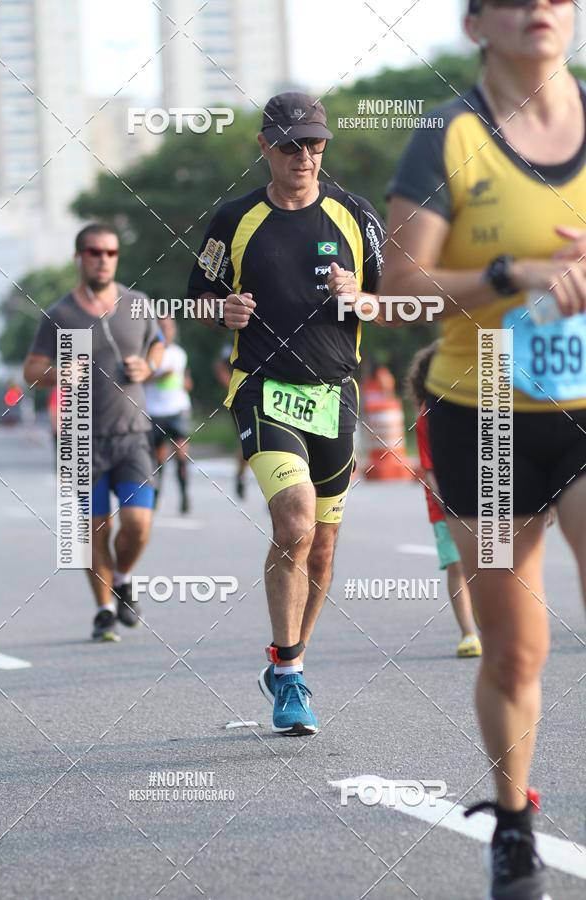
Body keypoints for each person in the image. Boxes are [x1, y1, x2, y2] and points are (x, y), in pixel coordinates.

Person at [381, 2, 586, 897]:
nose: (538, 7)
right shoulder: (446, 137)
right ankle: (512, 822)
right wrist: (515, 274)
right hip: (489, 417)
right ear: (475, 25)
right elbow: (399, 289)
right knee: (512, 650)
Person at [188, 91, 387, 735]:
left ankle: (285, 661)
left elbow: (391, 305)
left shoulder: (356, 215)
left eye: (315, 143)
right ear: (264, 147)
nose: (305, 156)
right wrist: (222, 312)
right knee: (295, 521)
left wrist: (360, 298)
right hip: (262, 389)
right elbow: (195, 302)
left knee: (322, 548)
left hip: (335, 393)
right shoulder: (234, 220)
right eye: (290, 144)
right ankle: (294, 673)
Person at [24, 223, 164, 642]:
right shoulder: (59, 314)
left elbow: (156, 343)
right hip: (80, 439)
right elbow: (30, 370)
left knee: (138, 522)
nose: (102, 259)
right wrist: (56, 373)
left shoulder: (137, 303)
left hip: (133, 433)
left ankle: (122, 578)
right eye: (93, 252)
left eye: (110, 252)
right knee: (92, 529)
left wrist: (149, 364)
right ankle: (104, 610)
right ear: (79, 257)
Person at [406, 343, 482, 658]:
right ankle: (468, 634)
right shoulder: (428, 416)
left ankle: (494, 627)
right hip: (445, 504)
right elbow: (429, 467)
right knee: (457, 566)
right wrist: (446, 503)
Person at [145, 316, 193, 514]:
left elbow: (186, 380)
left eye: (170, 327)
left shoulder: (180, 353)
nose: (167, 330)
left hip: (177, 409)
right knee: (158, 459)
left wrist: (187, 384)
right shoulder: (150, 353)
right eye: (163, 327)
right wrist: (158, 375)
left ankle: (184, 496)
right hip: (155, 410)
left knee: (181, 454)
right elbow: (139, 376)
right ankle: (156, 497)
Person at [213, 342, 249, 499]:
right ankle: (241, 475)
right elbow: (219, 366)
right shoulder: (231, 345)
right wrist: (231, 387)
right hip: (241, 399)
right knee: (246, 439)